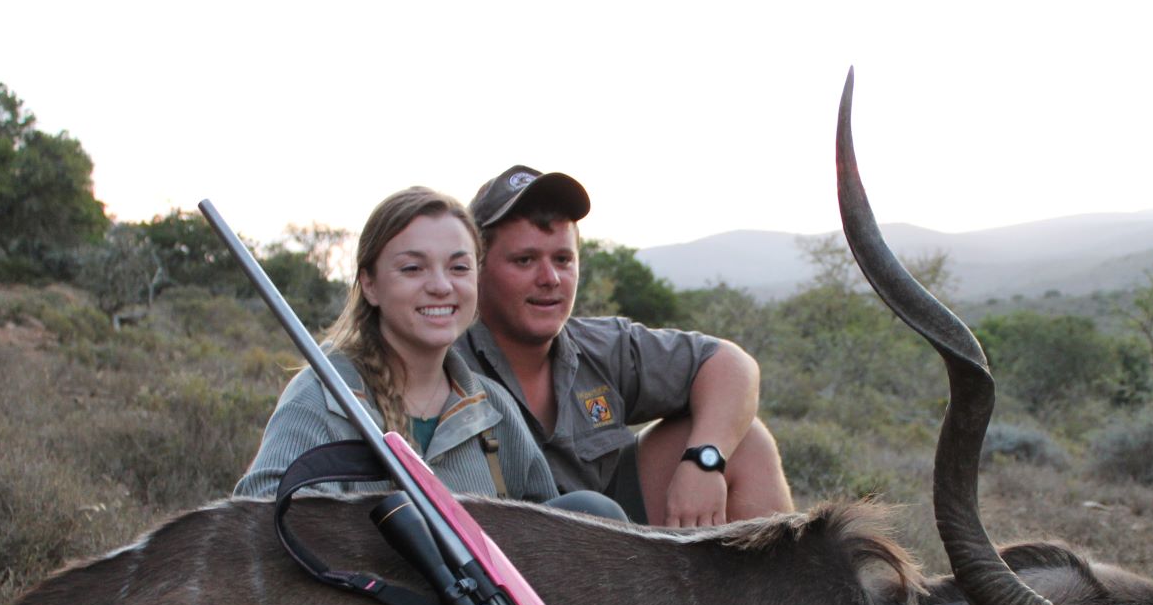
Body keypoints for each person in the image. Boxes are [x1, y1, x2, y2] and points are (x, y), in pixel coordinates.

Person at [462, 165, 794, 526]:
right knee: (591, 509)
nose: (550, 279)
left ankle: (782, 583)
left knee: (744, 440)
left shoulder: (604, 346)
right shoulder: (442, 363)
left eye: (563, 259)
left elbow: (730, 363)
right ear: (476, 267)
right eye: (524, 260)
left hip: (615, 544)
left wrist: (704, 460)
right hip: (502, 555)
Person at [236, 186, 570, 506]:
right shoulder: (323, 397)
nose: (441, 286)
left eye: (458, 268)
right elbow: (260, 522)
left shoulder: (493, 408)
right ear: (370, 284)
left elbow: (545, 537)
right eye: (413, 268)